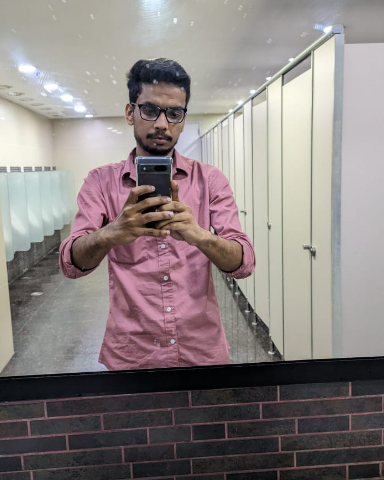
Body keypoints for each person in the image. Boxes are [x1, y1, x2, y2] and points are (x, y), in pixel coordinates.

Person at [59, 58, 255, 370]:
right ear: (130, 113)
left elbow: (243, 264)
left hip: (201, 351)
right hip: (132, 354)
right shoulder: (100, 181)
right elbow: (71, 265)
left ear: (183, 119)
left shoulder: (210, 180)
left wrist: (199, 236)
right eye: (150, 110)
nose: (162, 124)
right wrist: (111, 233)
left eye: (174, 113)